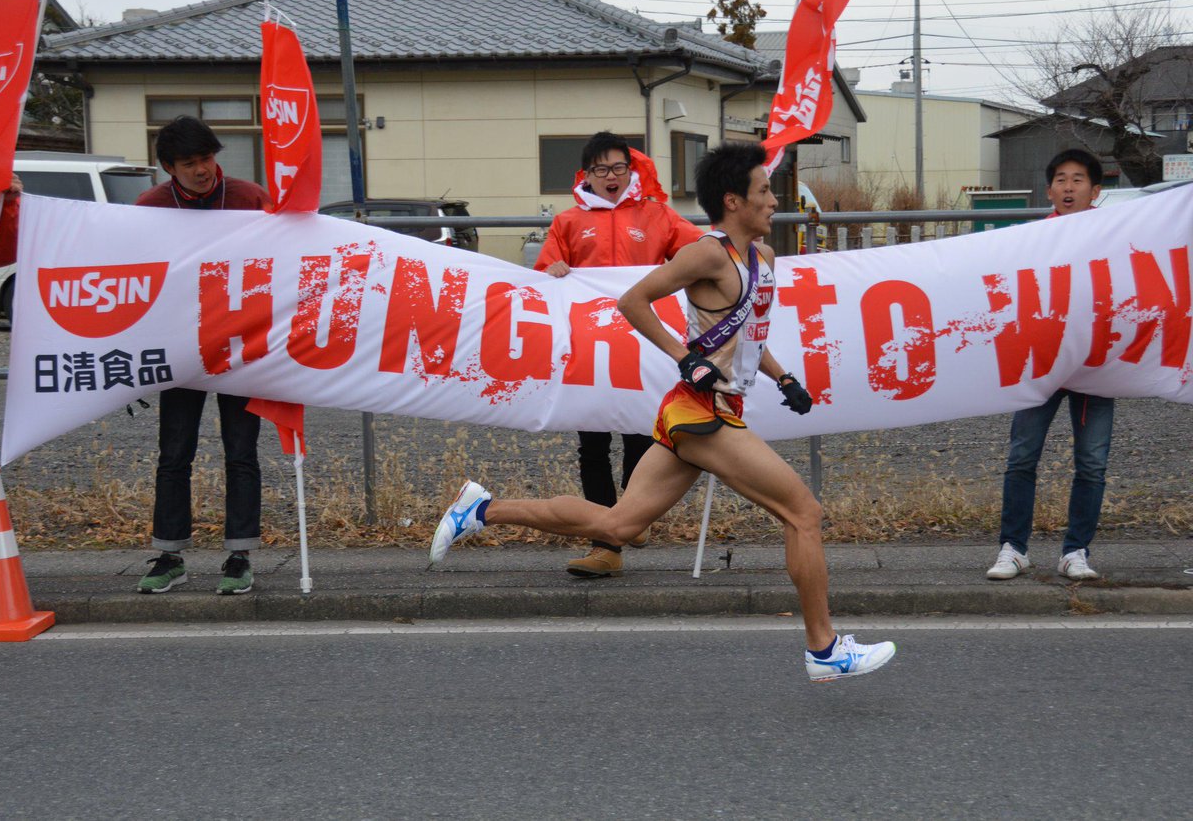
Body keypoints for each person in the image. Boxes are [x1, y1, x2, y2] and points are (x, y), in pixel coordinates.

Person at [431, 141, 896, 681]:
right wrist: (685, 357)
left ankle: (481, 509)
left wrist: (783, 376)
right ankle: (824, 649)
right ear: (733, 201)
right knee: (803, 513)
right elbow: (632, 301)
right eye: (764, 191)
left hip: (711, 409)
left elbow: (746, 338)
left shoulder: (762, 258)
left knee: (619, 524)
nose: (773, 201)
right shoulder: (706, 253)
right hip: (703, 412)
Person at [536, 131, 702, 578]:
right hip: (587, 348)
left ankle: (631, 515)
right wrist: (553, 270)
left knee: (639, 437)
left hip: (644, 344)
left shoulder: (657, 216)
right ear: (585, 175)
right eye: (600, 170)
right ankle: (605, 545)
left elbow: (700, 254)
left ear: (631, 170)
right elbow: (544, 274)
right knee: (591, 444)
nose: (610, 177)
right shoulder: (569, 221)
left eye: (618, 168)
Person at [134, 116, 272, 596]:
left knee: (241, 453)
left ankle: (239, 556)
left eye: (208, 158)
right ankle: (169, 555)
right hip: (179, 348)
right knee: (174, 454)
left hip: (239, 346)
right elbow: (136, 285)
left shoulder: (250, 197)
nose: (202, 170)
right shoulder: (149, 207)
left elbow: (286, 261)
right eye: (189, 163)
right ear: (169, 168)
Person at [987, 148, 1112, 582]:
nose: (1069, 186)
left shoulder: (1113, 236)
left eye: (1079, 179)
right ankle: (1013, 548)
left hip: (1095, 366)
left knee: (1092, 462)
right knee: (1022, 456)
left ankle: (1076, 551)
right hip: (1041, 363)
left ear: (1096, 191)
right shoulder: (1031, 238)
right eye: (1061, 178)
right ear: (1049, 189)